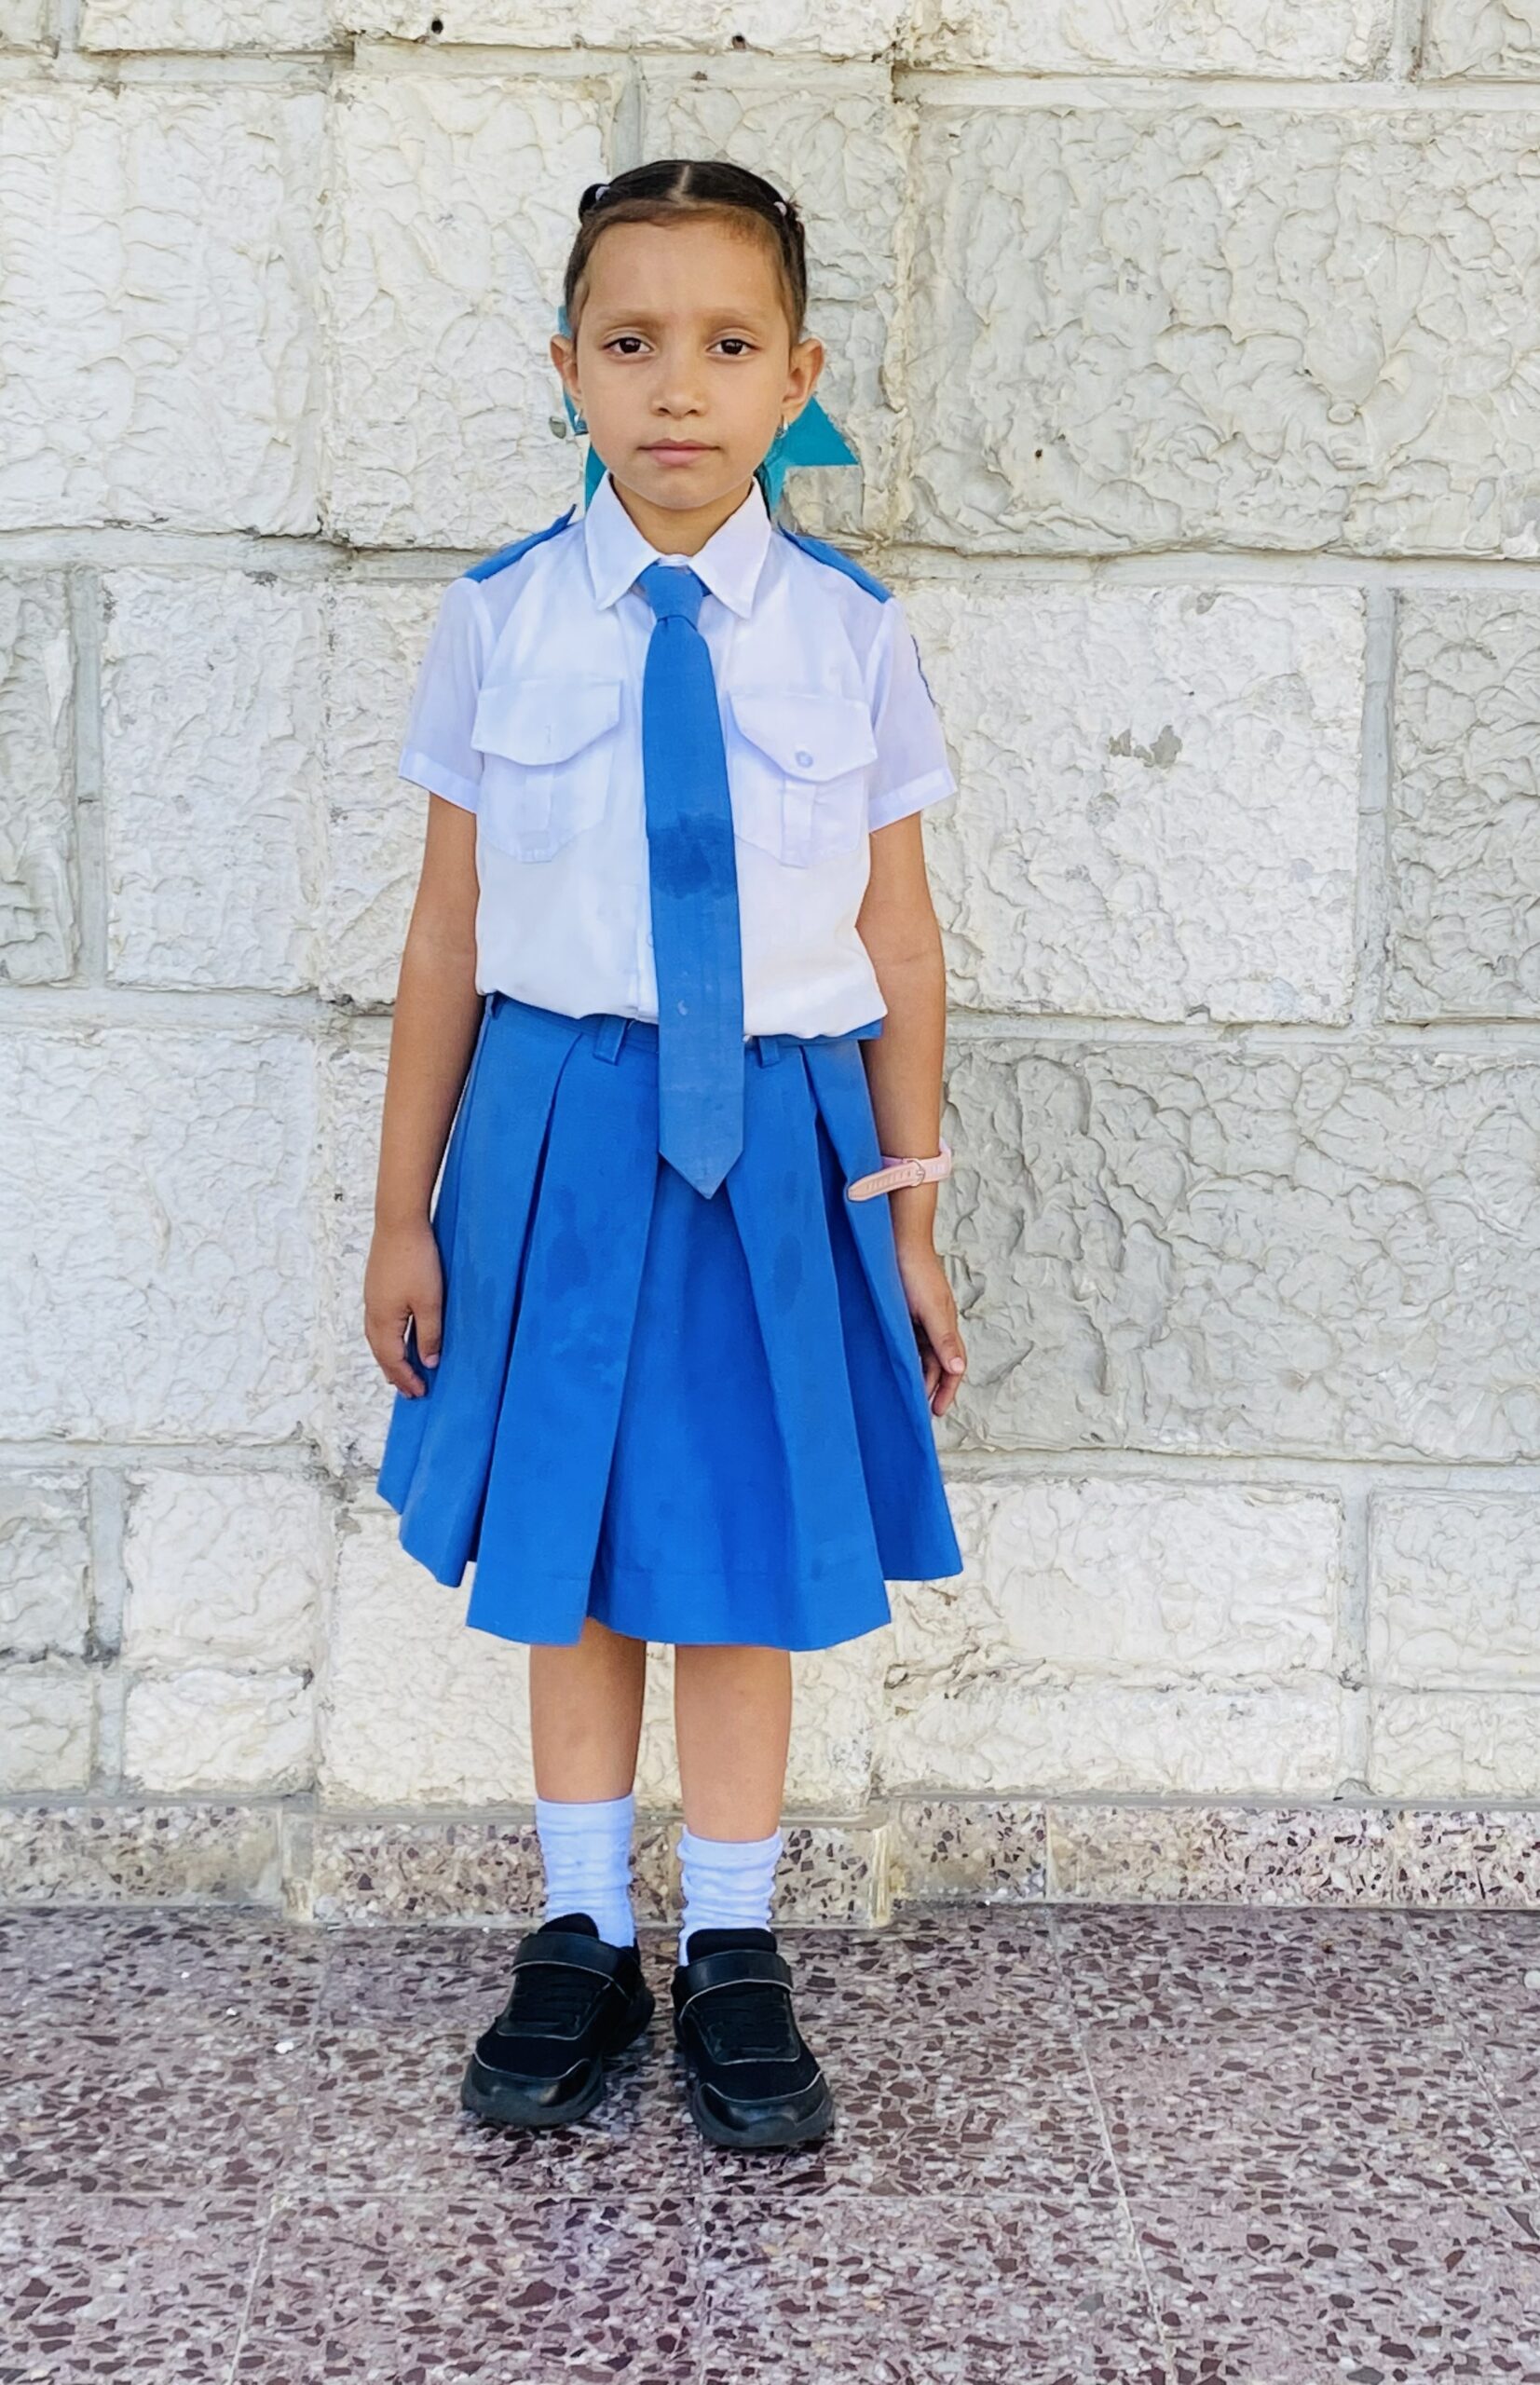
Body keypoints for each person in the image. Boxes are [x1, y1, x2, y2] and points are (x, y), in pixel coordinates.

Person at [363, 156, 968, 2153]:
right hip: (555, 1138)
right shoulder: (498, 621)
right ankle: (579, 1929)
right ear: (567, 370)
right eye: (630, 343)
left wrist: (909, 1216)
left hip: (779, 1147)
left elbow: (896, 942)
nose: (678, 388)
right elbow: (445, 933)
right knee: (578, 1549)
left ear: (798, 375)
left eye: (726, 344)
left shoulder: (847, 635)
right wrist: (399, 1212)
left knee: (737, 1556)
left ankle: (728, 1939)